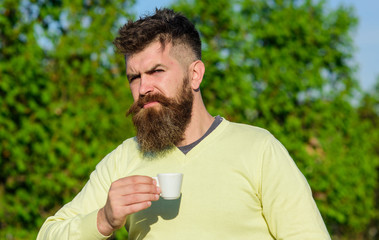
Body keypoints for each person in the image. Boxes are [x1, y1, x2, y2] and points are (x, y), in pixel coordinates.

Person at [37, 8, 331, 240]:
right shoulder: (124, 159)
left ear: (195, 75)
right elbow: (49, 234)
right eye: (134, 77)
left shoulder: (259, 149)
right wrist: (103, 220)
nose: (143, 88)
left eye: (156, 71)